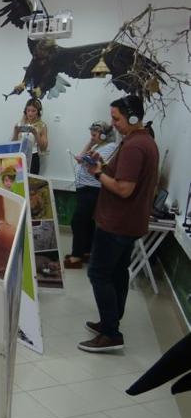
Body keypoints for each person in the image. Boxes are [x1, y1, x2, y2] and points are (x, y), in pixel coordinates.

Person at [79, 95, 159, 353]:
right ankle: (110, 322)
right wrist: (101, 165)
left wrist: (97, 173)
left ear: (133, 117)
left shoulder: (135, 147)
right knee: (117, 272)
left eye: (116, 118)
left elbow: (124, 189)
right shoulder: (142, 141)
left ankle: (111, 333)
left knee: (98, 274)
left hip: (117, 223)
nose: (112, 123)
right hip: (128, 223)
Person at [64, 121, 118, 269]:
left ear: (104, 135)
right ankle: (87, 252)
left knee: (78, 222)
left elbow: (96, 164)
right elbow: (81, 158)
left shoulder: (110, 146)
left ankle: (76, 256)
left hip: (92, 189)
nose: (92, 136)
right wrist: (91, 142)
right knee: (87, 223)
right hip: (85, 188)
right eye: (91, 134)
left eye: (95, 134)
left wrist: (85, 158)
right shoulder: (98, 145)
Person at [11, 98, 48, 174]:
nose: (30, 113)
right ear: (25, 111)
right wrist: (15, 132)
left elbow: (43, 148)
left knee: (32, 179)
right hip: (20, 156)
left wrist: (36, 134)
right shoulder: (19, 124)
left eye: (33, 111)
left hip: (34, 156)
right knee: (19, 179)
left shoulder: (42, 126)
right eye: (28, 110)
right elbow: (13, 145)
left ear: (38, 112)